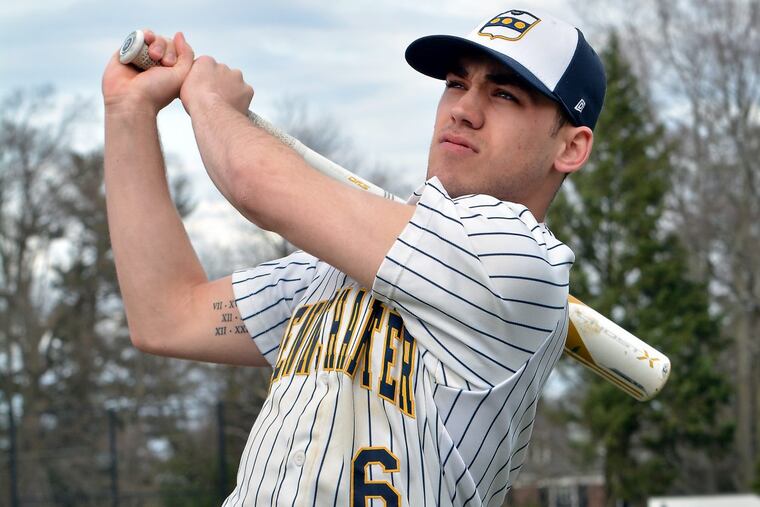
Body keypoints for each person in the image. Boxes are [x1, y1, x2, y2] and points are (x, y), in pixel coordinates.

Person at [102, 6, 605, 506]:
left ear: (571, 148)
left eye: (503, 94)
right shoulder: (337, 269)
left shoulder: (517, 260)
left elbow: (254, 183)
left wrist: (210, 101)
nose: (463, 109)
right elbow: (166, 316)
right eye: (455, 83)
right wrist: (128, 113)